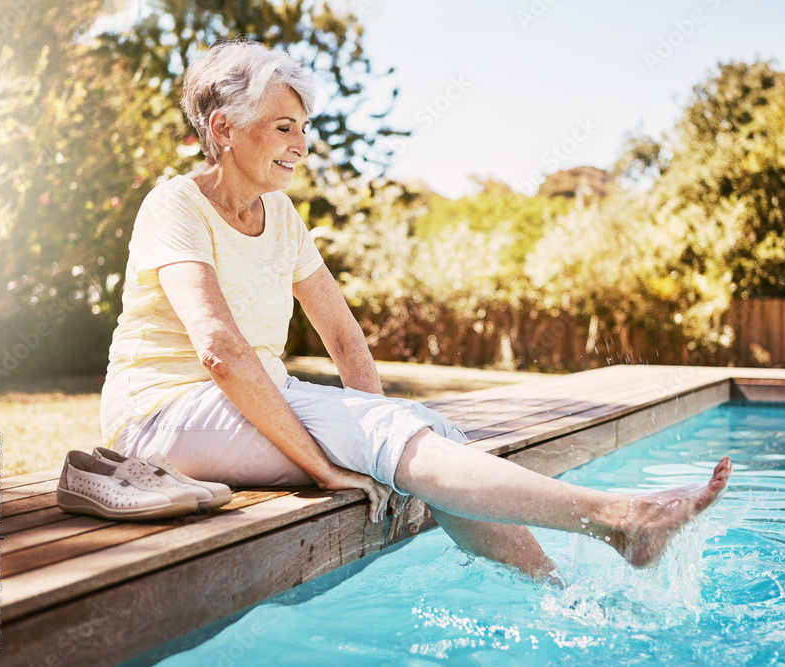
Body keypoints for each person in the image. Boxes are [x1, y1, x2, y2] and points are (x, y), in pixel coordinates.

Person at [99, 38, 731, 581]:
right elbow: (220, 351)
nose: (301, 145)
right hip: (160, 418)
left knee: (429, 433)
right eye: (283, 127)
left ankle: (558, 587)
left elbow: (344, 337)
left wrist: (376, 420)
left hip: (254, 399)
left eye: (304, 127)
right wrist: (327, 466)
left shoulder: (282, 216)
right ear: (224, 129)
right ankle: (621, 520)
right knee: (390, 441)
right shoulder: (175, 205)